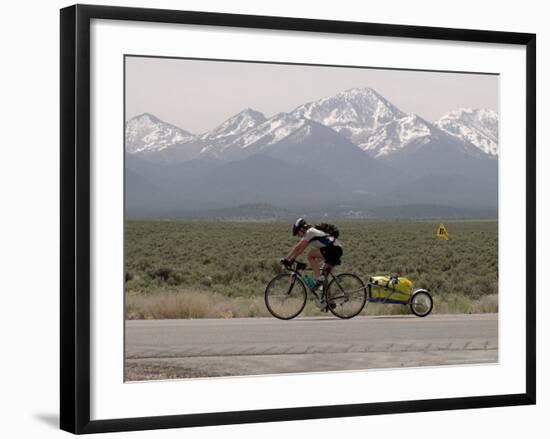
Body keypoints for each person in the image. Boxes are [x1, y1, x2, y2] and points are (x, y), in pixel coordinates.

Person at [281, 218, 343, 290]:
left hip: (333, 249)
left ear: (302, 229)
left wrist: (287, 259)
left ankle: (319, 279)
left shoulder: (310, 232)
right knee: (323, 278)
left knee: (310, 255)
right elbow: (301, 249)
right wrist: (291, 259)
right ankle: (328, 300)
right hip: (335, 250)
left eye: (298, 233)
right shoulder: (310, 233)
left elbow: (297, 247)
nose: (298, 235)